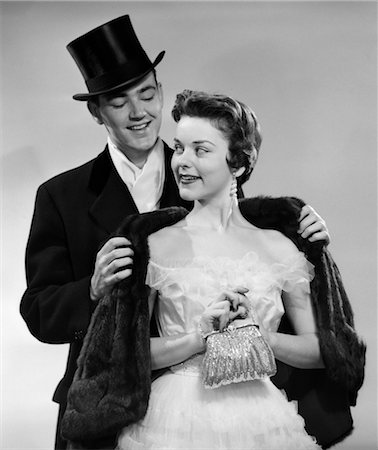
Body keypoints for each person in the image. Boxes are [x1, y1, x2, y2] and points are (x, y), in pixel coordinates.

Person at [20, 15, 330, 450]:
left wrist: (301, 226)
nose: (138, 112)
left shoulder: (206, 173)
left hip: (222, 404)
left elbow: (250, 242)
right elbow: (38, 311)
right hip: (104, 405)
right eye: (118, 101)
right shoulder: (60, 196)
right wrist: (90, 290)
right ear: (96, 111)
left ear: (160, 91)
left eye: (147, 94)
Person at [112, 90, 361, 449]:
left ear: (239, 164)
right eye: (179, 148)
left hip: (260, 417)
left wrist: (261, 337)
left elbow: (322, 349)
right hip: (175, 417)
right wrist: (200, 337)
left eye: (200, 150)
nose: (182, 161)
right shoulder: (155, 244)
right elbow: (128, 352)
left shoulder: (279, 246)